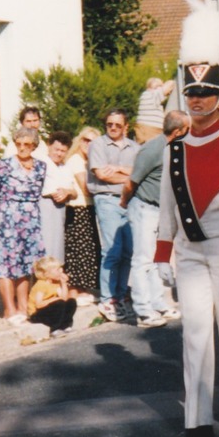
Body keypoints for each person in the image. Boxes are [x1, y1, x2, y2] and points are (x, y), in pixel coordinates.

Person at [154, 5, 219, 437]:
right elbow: (166, 209)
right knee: (194, 333)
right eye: (192, 92)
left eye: (206, 91)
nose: (198, 99)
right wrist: (162, 254)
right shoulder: (173, 148)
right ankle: (196, 420)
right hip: (191, 252)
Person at [122, 110, 187, 328]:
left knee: (159, 258)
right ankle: (143, 311)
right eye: (187, 129)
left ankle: (158, 303)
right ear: (178, 131)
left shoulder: (176, 148)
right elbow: (131, 182)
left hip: (162, 210)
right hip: (145, 207)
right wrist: (124, 203)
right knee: (142, 260)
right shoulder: (152, 148)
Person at [0, 127, 48, 327]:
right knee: (6, 264)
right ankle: (9, 309)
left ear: (34, 146)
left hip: (30, 219)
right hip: (7, 219)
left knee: (25, 263)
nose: (22, 148)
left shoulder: (41, 167)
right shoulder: (3, 165)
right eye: (19, 143)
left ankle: (23, 306)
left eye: (27, 144)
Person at [86, 109, 139, 322]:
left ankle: (120, 295)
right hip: (107, 200)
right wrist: (130, 175)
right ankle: (107, 298)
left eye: (118, 125)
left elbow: (141, 172)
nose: (113, 128)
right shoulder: (98, 145)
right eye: (109, 125)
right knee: (112, 250)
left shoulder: (135, 148)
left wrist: (118, 169)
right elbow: (101, 175)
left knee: (128, 251)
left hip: (129, 201)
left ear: (126, 126)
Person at [63, 127, 102, 300]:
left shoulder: (87, 161)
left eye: (93, 141)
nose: (88, 144)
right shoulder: (77, 160)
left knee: (86, 249)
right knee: (78, 249)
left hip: (86, 207)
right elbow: (86, 188)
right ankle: (74, 290)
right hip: (77, 208)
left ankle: (81, 289)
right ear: (80, 140)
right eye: (85, 139)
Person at [40, 131, 77, 265]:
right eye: (56, 149)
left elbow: (74, 193)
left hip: (60, 212)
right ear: (49, 146)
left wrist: (67, 192)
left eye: (63, 151)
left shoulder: (65, 167)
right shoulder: (41, 163)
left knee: (56, 253)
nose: (59, 153)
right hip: (43, 209)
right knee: (44, 253)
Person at [26, 255, 76, 335]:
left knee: (71, 302)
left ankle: (65, 325)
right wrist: (54, 299)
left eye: (60, 268)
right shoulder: (41, 285)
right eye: (57, 270)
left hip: (50, 309)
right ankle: (54, 329)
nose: (61, 271)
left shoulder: (56, 283)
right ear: (46, 274)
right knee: (59, 303)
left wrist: (63, 283)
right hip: (36, 314)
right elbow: (38, 304)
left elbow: (64, 298)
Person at [135, 75, 173, 143]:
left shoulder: (154, 100)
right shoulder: (150, 95)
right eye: (158, 86)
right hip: (149, 131)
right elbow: (170, 84)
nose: (160, 89)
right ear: (149, 88)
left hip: (152, 131)